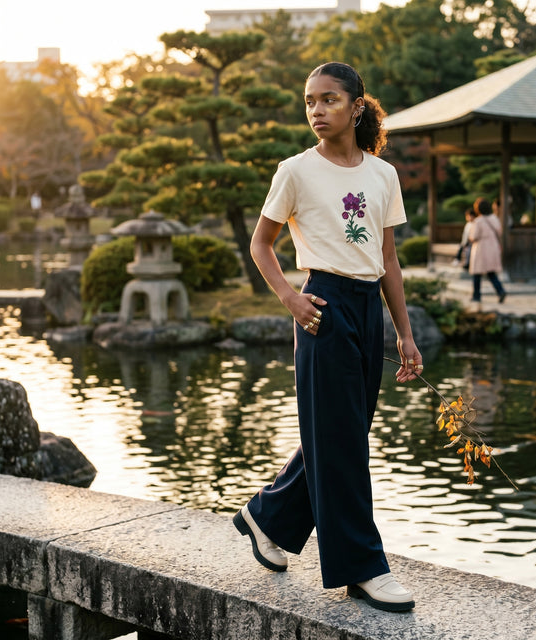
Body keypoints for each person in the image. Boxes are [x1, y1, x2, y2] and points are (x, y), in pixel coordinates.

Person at [233, 62, 421, 613]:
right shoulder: (295, 171)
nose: (317, 111)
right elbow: (261, 244)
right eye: (310, 101)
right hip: (323, 306)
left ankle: (266, 516)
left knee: (341, 433)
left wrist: (404, 336)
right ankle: (362, 568)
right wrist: (291, 299)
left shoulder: (383, 175)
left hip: (367, 310)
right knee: (343, 444)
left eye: (329, 100)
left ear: (356, 106)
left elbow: (387, 259)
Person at [468, 197, 507, 303]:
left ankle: (476, 295)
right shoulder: (494, 219)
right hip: (493, 246)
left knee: (477, 273)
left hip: (481, 248)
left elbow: (473, 236)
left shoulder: (478, 221)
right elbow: (500, 232)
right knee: (491, 272)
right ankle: (500, 290)